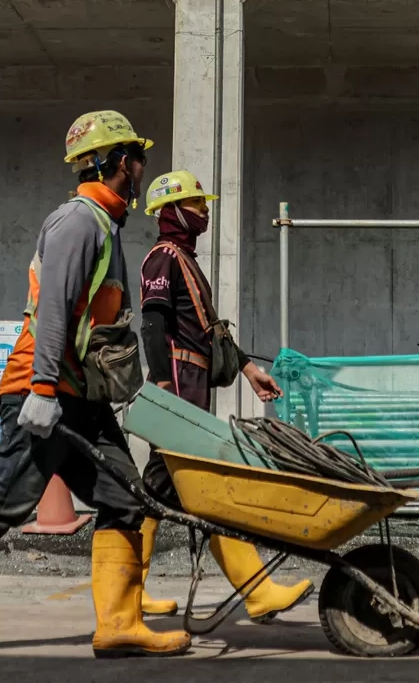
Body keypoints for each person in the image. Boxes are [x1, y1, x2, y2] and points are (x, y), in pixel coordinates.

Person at [0, 111, 191, 660]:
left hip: (81, 397)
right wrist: (44, 389)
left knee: (125, 496)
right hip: (46, 391)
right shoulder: (78, 222)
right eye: (137, 157)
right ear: (117, 162)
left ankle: (120, 624)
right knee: (6, 500)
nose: (142, 166)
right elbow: (53, 310)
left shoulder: (104, 223)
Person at [135, 169, 315, 621]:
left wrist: (249, 370)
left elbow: (209, 332)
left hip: (191, 383)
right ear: (172, 211)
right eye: (197, 204)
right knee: (201, 484)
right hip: (176, 382)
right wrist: (161, 386)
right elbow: (153, 325)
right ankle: (255, 591)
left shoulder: (185, 259)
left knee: (162, 487)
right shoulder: (162, 258)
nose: (205, 210)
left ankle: (128, 590)